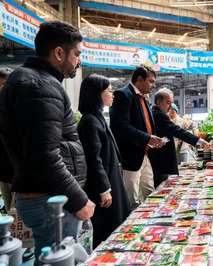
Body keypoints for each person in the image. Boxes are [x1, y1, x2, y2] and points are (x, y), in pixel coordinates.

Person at [0, 20, 95, 264]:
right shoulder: (40, 85)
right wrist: (78, 200)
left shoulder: (35, 81)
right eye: (77, 54)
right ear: (59, 52)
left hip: (49, 197)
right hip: (51, 201)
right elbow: (43, 156)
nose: (80, 61)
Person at [77, 74, 131, 248]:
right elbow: (93, 159)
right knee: (106, 231)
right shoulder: (89, 121)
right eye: (109, 90)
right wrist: (103, 189)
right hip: (103, 187)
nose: (112, 94)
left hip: (112, 179)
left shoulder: (98, 117)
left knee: (117, 225)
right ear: (96, 94)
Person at [110, 65, 165, 209]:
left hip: (145, 155)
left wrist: (152, 139)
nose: (154, 85)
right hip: (130, 158)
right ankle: (130, 231)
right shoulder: (123, 95)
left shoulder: (143, 99)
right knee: (131, 200)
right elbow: (120, 127)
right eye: (151, 81)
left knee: (151, 195)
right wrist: (148, 138)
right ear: (140, 79)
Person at [152, 89, 213, 188]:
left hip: (159, 160)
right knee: (159, 187)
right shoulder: (158, 115)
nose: (170, 106)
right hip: (159, 161)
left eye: (172, 103)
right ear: (158, 102)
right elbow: (178, 131)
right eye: (168, 103)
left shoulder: (156, 113)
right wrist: (201, 141)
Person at [0, 68, 14, 212]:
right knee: (10, 214)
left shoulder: (19, 109)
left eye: (3, 85)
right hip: (3, 174)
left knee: (18, 215)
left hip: (19, 175)